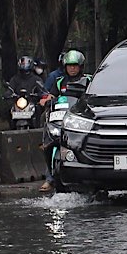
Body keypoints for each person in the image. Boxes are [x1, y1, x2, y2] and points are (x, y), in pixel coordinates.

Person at [39, 50, 92, 193]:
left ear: (81, 66)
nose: (72, 68)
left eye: (75, 65)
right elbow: (51, 95)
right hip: (60, 119)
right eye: (69, 66)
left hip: (80, 121)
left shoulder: (89, 81)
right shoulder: (59, 82)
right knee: (48, 141)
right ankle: (49, 178)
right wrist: (46, 100)